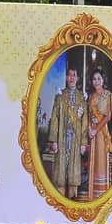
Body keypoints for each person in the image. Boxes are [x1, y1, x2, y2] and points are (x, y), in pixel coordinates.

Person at [46, 64, 89, 201]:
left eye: (74, 75)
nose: (71, 78)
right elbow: (54, 119)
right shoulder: (60, 96)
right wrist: (53, 140)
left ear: (77, 78)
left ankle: (72, 199)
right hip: (61, 138)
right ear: (66, 77)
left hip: (76, 139)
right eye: (69, 75)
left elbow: (85, 122)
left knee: (73, 169)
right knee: (60, 170)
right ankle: (60, 199)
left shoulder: (82, 98)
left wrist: (83, 143)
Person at [85, 67, 112, 201]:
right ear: (91, 82)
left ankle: (102, 194)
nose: (96, 81)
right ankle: (93, 195)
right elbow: (87, 115)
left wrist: (96, 130)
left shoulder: (108, 95)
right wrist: (89, 130)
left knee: (101, 161)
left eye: (99, 78)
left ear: (103, 80)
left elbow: (108, 117)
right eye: (94, 79)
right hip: (92, 133)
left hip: (102, 132)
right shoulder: (91, 97)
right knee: (93, 161)